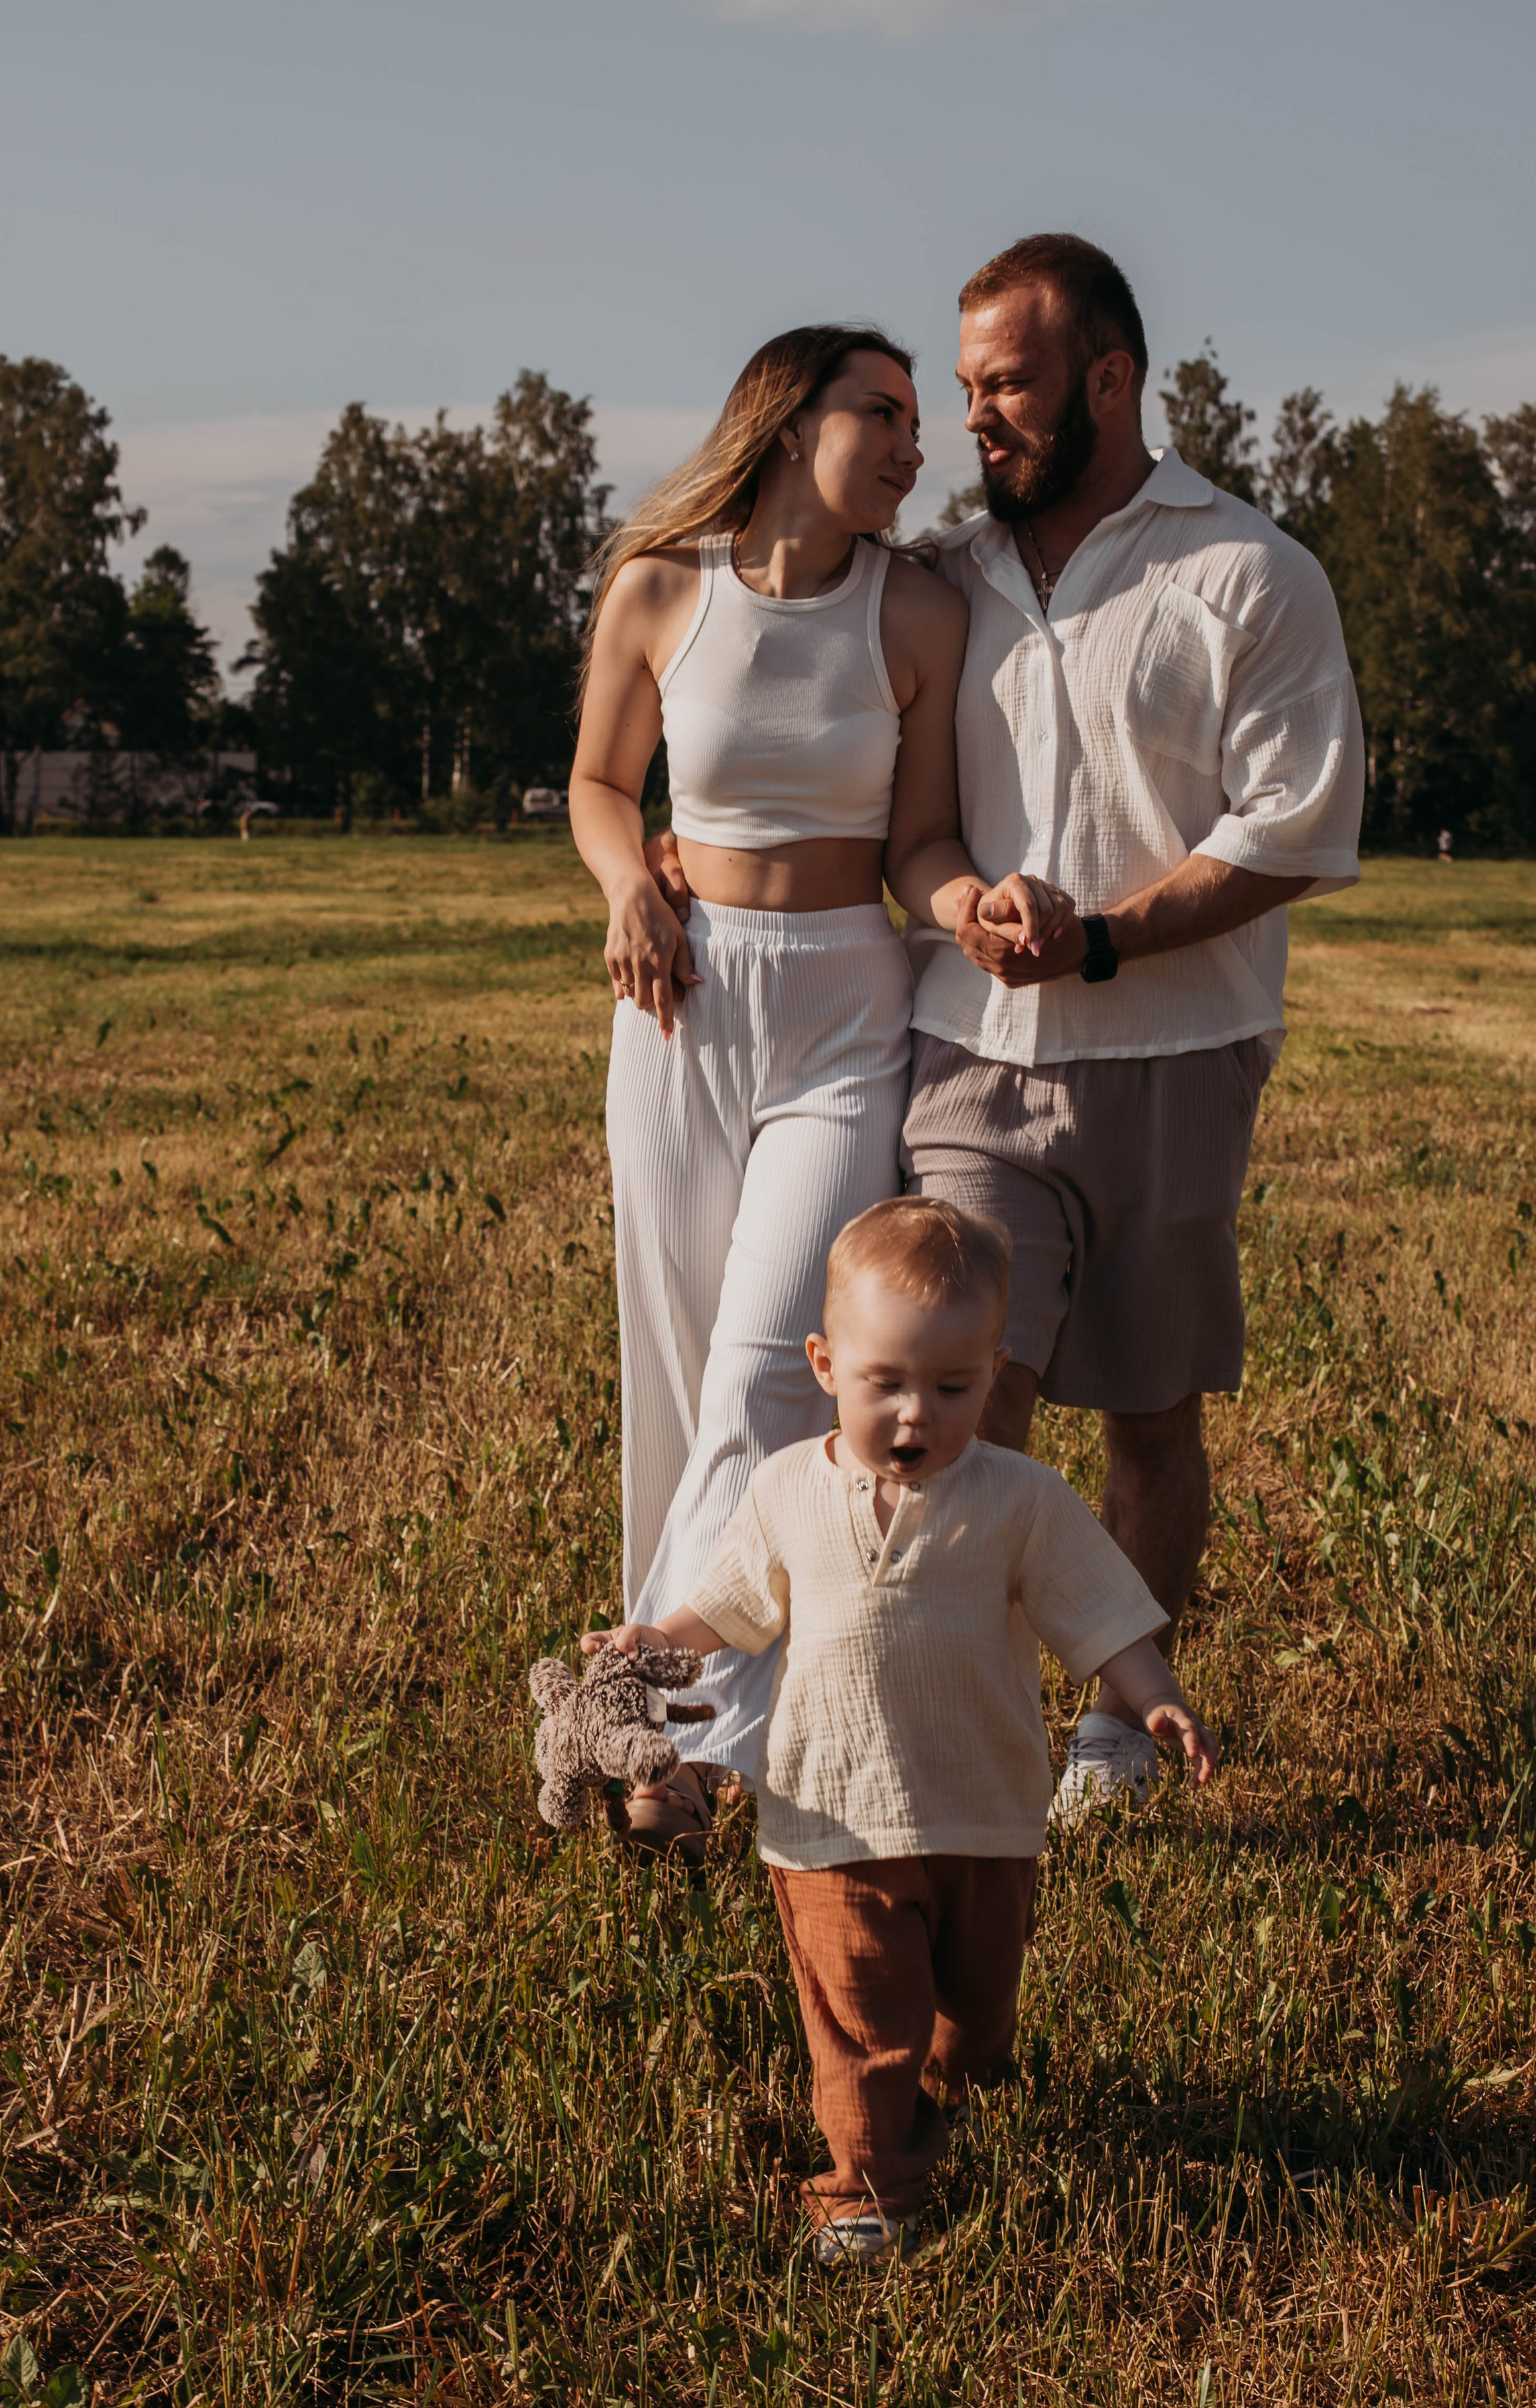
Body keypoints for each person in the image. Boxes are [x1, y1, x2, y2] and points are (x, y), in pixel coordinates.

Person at [569, 323, 1064, 1861]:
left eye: (921, 418)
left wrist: (966, 899)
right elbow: (598, 784)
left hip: (844, 1007)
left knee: (766, 1376)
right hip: (677, 1004)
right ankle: (718, 1705)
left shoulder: (912, 611)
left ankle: (653, 1716)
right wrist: (622, 887)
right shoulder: (659, 584)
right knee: (672, 1370)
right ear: (788, 423)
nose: (916, 444)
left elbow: (915, 840)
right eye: (884, 411)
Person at [892, 233, 1364, 1819]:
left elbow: (1292, 827)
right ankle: (968, 1724)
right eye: (964, 390)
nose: (978, 418)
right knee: (969, 1395)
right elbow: (847, 760)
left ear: (1108, 378)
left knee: (1149, 1416)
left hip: (1174, 1060)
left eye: (1007, 383)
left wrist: (1099, 940)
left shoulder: (1243, 570)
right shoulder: (946, 574)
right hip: (964, 1057)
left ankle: (1113, 1722)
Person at [585, 1197, 1216, 2262]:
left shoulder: (1020, 1499)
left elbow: (1093, 1610)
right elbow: (734, 1607)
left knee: (975, 2018)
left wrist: (1148, 1692)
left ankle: (957, 2089)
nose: (917, 1415)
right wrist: (653, 1643)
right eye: (887, 1384)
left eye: (953, 1387)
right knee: (863, 2021)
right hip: (829, 1818)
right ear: (827, 1364)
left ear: (996, 1369)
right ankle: (867, 2190)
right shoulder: (788, 1489)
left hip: (985, 1816)